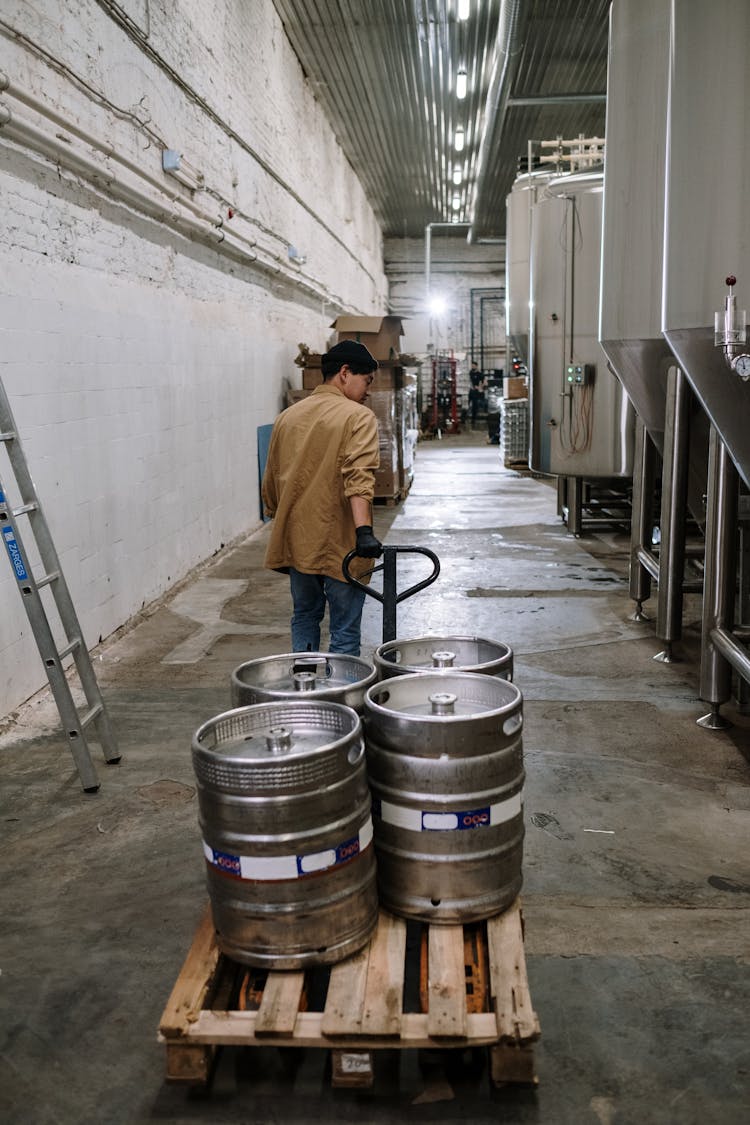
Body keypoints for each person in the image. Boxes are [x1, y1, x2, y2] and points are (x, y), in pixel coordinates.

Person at [261, 339, 383, 656]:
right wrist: (364, 533)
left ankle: (306, 691)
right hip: (342, 543)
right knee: (343, 629)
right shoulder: (358, 417)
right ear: (344, 373)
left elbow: (271, 479)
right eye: (366, 380)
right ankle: (340, 698)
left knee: (304, 616)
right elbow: (359, 477)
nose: (368, 390)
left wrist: (283, 516)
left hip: (297, 540)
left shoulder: (287, 417)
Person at [468, 363, 486, 429]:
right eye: (472, 365)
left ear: (476, 366)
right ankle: (464, 419)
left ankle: (473, 419)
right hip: (470, 390)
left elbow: (484, 382)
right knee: (467, 404)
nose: (473, 366)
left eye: (474, 365)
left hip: (476, 391)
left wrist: (479, 387)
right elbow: (468, 381)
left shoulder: (480, 374)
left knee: (475, 405)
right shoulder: (470, 373)